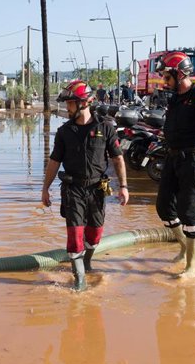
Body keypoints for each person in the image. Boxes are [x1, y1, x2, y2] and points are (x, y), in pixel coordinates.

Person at [41, 80, 129, 290]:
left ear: (83, 103)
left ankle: (87, 261)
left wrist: (123, 186)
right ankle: (79, 280)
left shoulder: (105, 128)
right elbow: (54, 162)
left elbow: (117, 159)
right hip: (73, 190)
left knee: (95, 234)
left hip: (98, 189)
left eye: (70, 103)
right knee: (74, 235)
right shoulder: (64, 132)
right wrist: (45, 188)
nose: (67, 107)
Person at [154, 52, 195, 279]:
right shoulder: (175, 98)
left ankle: (193, 267)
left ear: (179, 73)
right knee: (164, 206)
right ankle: (184, 246)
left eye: (167, 76)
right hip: (173, 158)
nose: (164, 81)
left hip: (193, 160)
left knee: (189, 212)